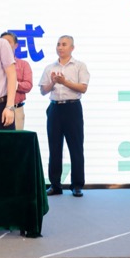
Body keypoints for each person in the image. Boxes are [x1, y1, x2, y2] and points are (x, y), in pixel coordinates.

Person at [39, 35, 90, 198]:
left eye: (64, 44)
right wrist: (53, 82)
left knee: (76, 147)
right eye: (58, 44)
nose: (60, 47)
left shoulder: (79, 66)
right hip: (54, 109)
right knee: (54, 148)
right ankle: (55, 185)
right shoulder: (49, 67)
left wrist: (64, 81)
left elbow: (83, 88)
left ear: (72, 48)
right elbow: (43, 91)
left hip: (72, 108)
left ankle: (77, 185)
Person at [0, 32, 33, 130]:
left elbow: (28, 85)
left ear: (16, 45)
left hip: (16, 109)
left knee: (17, 138)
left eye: (8, 42)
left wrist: (13, 84)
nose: (5, 44)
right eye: (2, 42)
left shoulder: (23, 64)